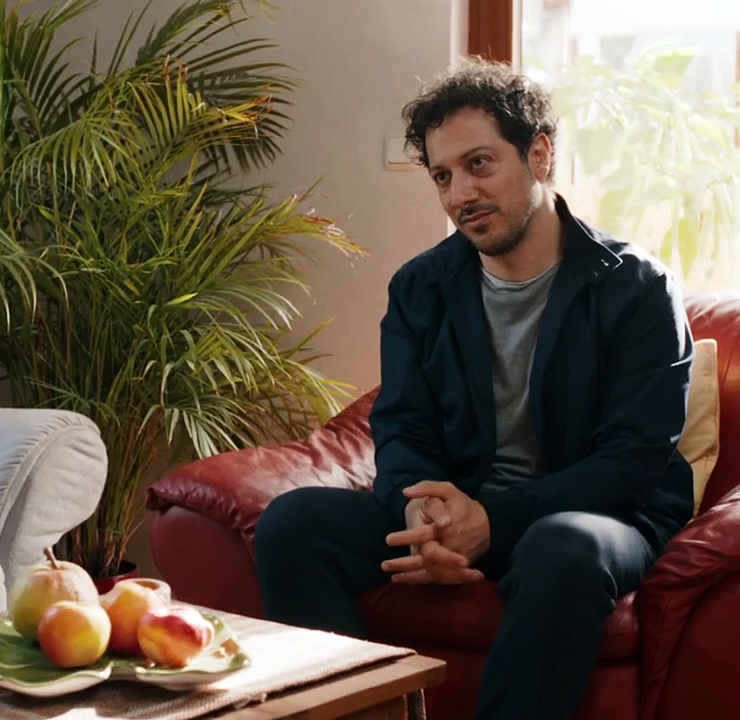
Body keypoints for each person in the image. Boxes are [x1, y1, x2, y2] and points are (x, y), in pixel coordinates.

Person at [253, 57, 695, 720]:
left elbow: (632, 461)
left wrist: (490, 524)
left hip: (595, 515)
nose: (460, 193)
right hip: (463, 505)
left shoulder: (636, 288)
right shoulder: (420, 286)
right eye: (443, 175)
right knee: (294, 523)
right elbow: (403, 425)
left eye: (479, 164)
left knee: (562, 547)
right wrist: (422, 517)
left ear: (539, 154)